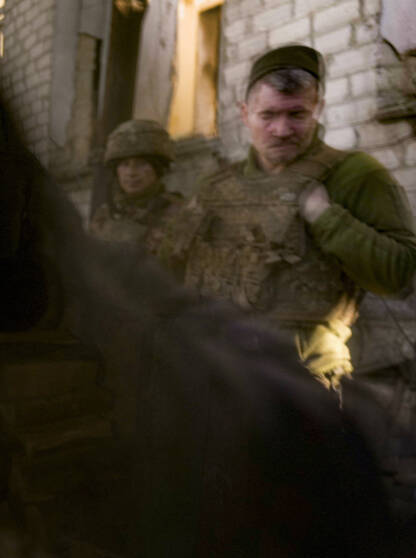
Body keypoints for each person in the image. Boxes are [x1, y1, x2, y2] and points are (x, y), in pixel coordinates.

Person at [159, 44, 416, 390]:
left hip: (301, 387)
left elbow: (400, 276)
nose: (282, 130)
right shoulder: (214, 187)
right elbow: (166, 272)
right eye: (268, 115)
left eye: (296, 114)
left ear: (318, 109)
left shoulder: (355, 175)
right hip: (213, 377)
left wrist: (326, 217)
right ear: (245, 112)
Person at [89, 119, 183, 254]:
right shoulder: (104, 216)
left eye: (141, 164)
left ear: (158, 169)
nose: (131, 173)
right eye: (125, 164)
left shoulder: (179, 213)